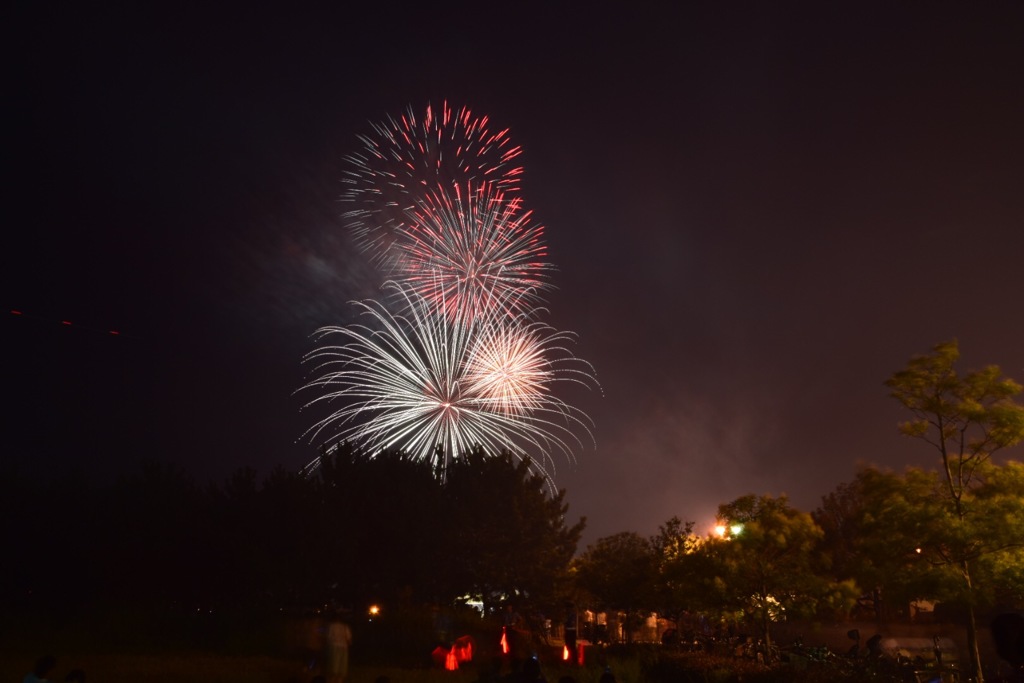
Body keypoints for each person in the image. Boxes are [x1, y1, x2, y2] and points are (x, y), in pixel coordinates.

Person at [324, 611, 352, 683]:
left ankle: (332, 679)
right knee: (341, 665)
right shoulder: (345, 627)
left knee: (333, 663)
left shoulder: (331, 626)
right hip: (343, 647)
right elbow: (349, 639)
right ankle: (339, 680)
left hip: (334, 646)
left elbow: (328, 637)